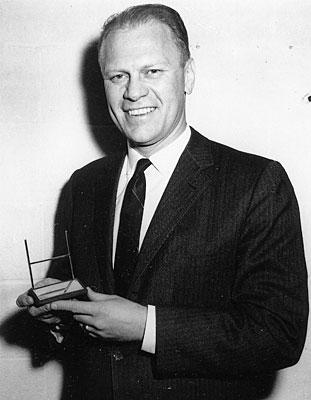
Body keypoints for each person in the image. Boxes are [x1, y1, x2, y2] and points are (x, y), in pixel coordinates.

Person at [16, 4, 308, 400]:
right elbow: (86, 323)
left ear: (187, 75)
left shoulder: (256, 182)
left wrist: (145, 326)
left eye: (152, 71)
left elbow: (279, 335)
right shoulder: (84, 184)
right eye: (118, 76)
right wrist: (59, 317)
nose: (133, 92)